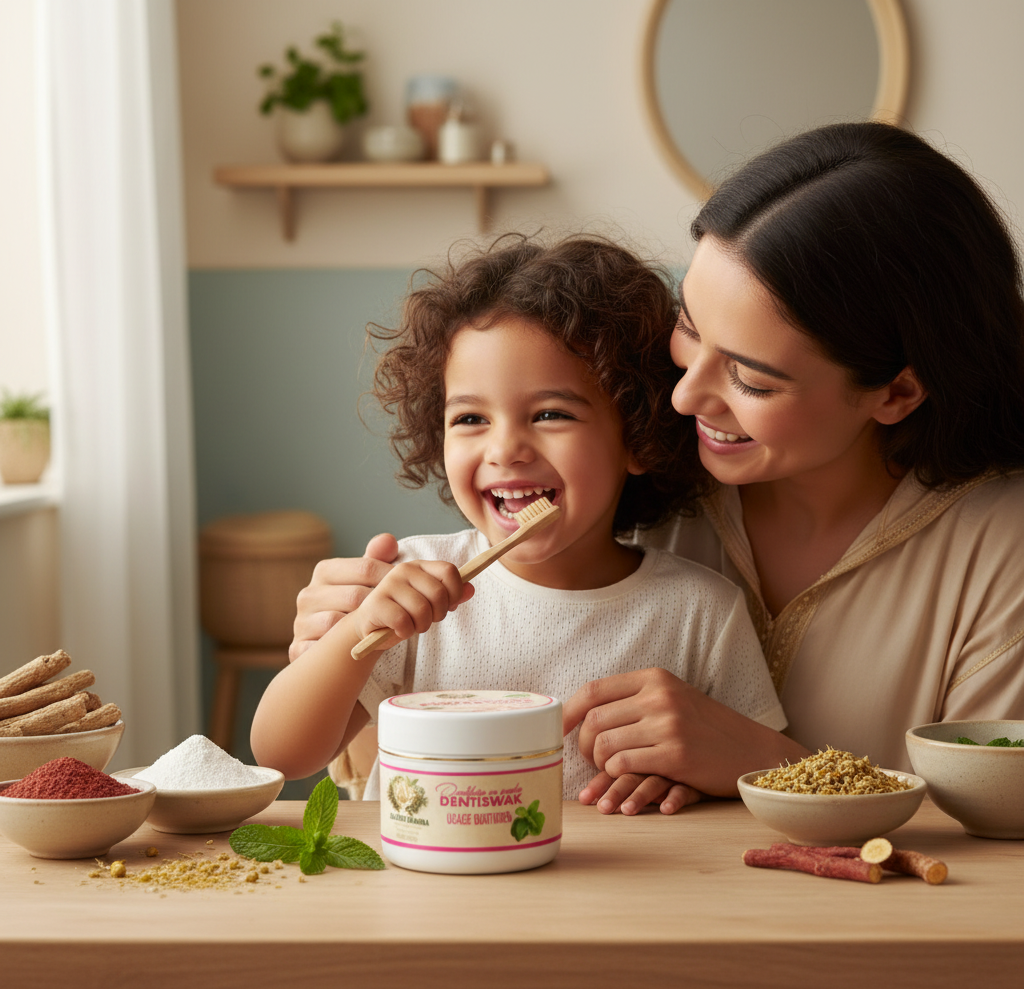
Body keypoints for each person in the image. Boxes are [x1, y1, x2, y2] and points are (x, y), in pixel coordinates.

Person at [289, 122, 1024, 812]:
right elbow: (314, 739)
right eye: (690, 330)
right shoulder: (643, 476)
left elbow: (990, 850)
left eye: (752, 379)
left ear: (895, 391)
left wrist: (761, 763)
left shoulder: (999, 554)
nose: (681, 396)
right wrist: (331, 642)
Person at [250, 235, 791, 809]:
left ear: (636, 435)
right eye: (470, 417)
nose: (505, 448)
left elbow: (760, 784)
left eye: (550, 414)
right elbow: (282, 756)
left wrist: (699, 782)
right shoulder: (407, 583)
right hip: (426, 885)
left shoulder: (701, 610)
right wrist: (353, 634)